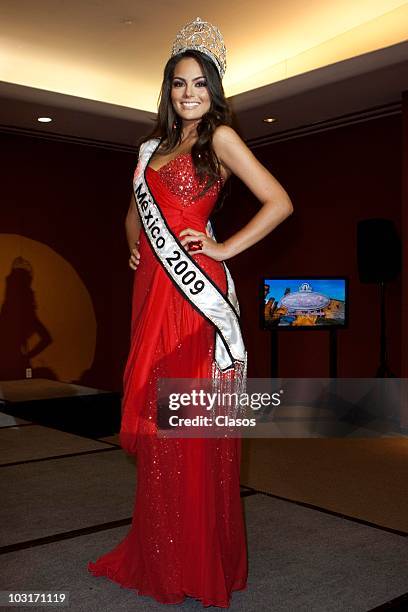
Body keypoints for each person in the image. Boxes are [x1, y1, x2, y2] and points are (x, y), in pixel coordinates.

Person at [87, 17, 293, 608]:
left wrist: (224, 246)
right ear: (167, 89)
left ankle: (197, 559)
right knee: (160, 430)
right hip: (152, 291)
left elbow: (279, 201)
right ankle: (164, 549)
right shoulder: (151, 149)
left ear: (214, 90)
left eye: (200, 84)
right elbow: (133, 213)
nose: (189, 93)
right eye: (179, 83)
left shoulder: (221, 138)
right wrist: (135, 243)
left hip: (194, 295)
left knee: (192, 429)